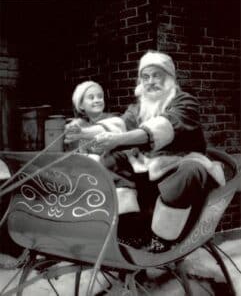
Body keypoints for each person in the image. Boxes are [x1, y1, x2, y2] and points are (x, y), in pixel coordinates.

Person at [65, 51, 225, 252]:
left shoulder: (185, 102)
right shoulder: (138, 108)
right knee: (111, 160)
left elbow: (164, 126)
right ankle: (131, 230)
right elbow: (119, 125)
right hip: (151, 168)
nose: (150, 81)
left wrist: (119, 139)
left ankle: (163, 238)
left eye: (157, 75)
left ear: (169, 78)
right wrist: (84, 132)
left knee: (190, 170)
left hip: (185, 163)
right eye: (145, 76)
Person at [64, 80, 113, 157]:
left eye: (100, 96)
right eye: (91, 97)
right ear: (81, 105)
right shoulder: (80, 124)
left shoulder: (112, 119)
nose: (97, 100)